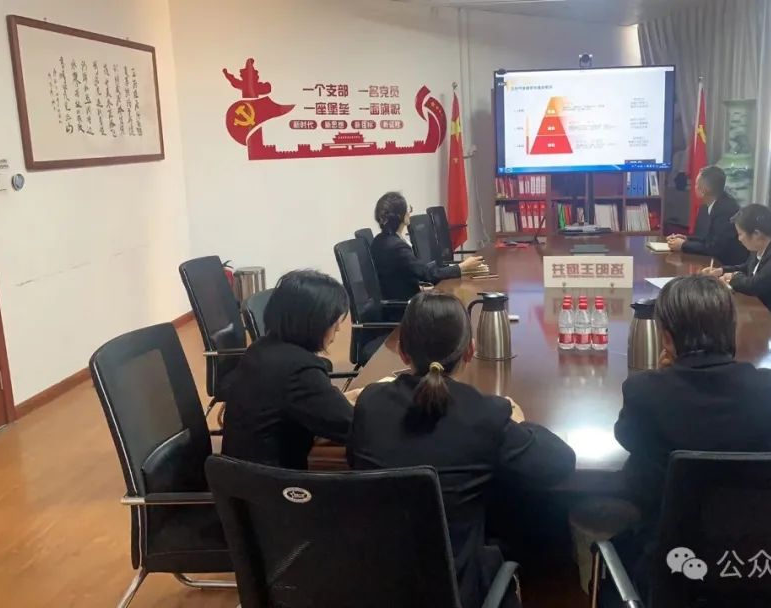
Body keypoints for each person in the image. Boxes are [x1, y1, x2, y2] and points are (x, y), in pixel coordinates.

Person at [349, 292, 576, 608]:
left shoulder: (370, 403)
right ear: (470, 350)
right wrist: (517, 422)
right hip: (457, 593)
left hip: (377, 588)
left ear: (401, 351)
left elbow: (355, 462)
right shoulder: (485, 414)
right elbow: (560, 463)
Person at [603, 275, 771, 606]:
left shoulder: (645, 392)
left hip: (674, 568)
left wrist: (661, 376)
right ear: (731, 329)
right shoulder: (769, 388)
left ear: (667, 338)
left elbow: (627, 437)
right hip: (759, 566)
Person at [221, 269, 360, 469]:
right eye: (335, 322)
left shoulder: (261, 348)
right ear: (314, 322)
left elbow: (303, 405)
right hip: (272, 482)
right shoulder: (299, 369)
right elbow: (352, 427)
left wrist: (342, 399)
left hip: (241, 472)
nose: (338, 329)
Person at [370, 191, 484, 301]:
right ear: (400, 216)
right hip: (407, 306)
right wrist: (462, 267)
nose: (409, 212)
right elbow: (428, 275)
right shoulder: (397, 247)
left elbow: (400, 276)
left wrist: (421, 288)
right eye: (407, 209)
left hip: (400, 299)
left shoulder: (378, 240)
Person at [664, 166, 749, 265]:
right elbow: (709, 240)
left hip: (729, 266)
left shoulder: (725, 210)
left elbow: (714, 248)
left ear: (705, 189)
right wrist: (687, 239)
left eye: (696, 184)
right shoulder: (717, 203)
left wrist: (683, 245)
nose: (694, 187)